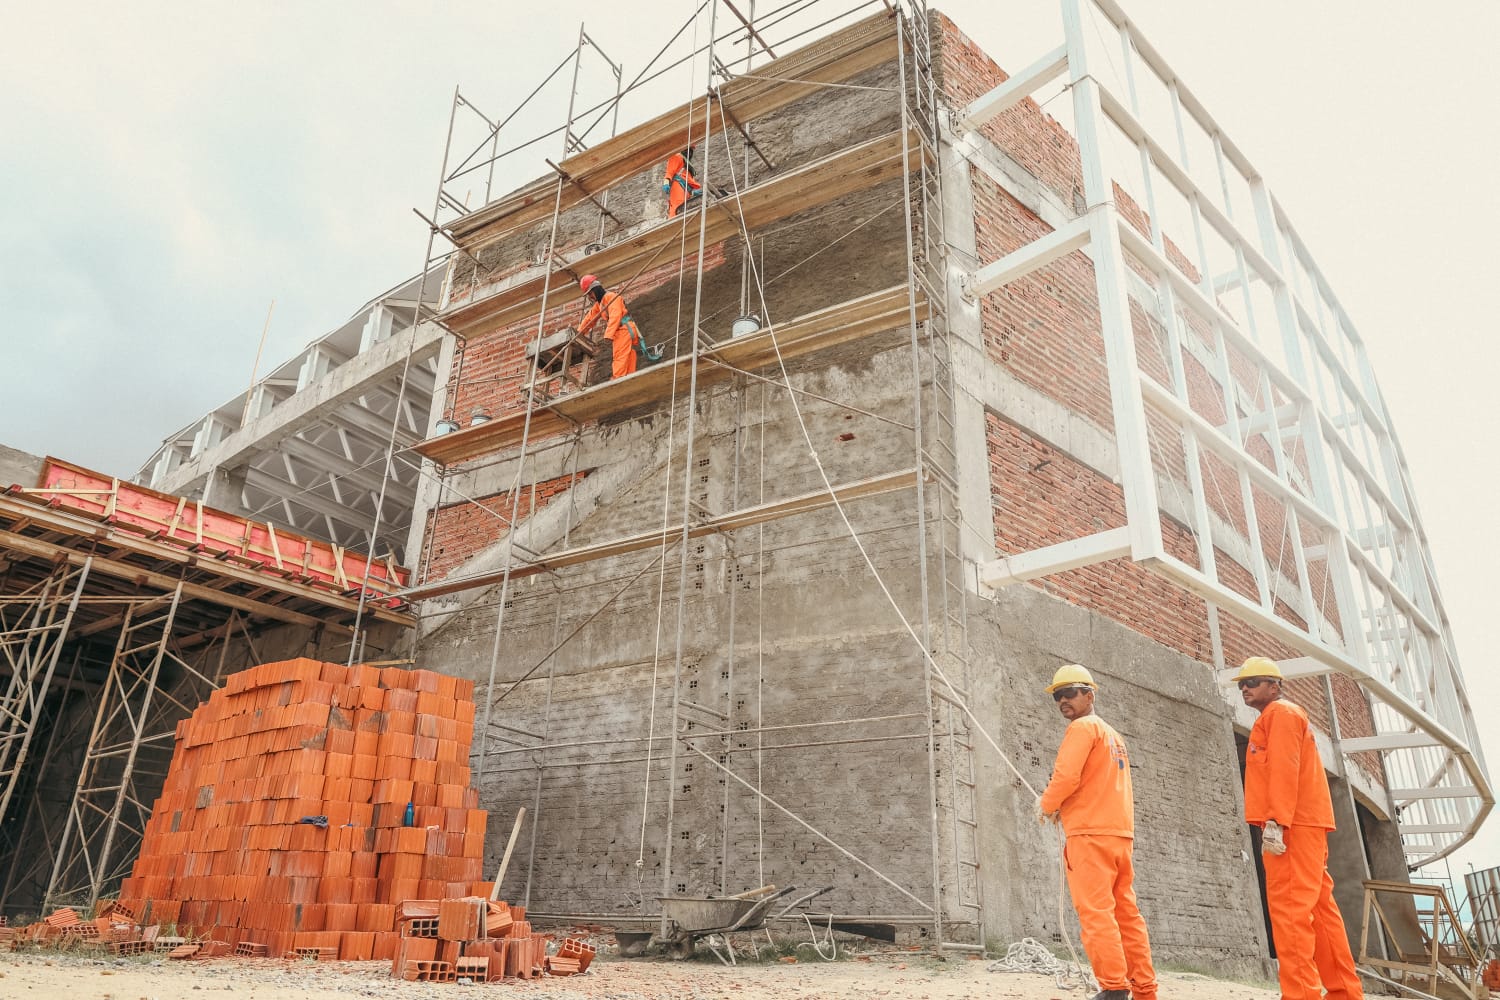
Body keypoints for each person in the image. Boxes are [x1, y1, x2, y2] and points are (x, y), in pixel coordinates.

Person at [1237, 656, 1364, 1000]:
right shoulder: (1279, 717)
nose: (1244, 688)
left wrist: (1277, 820)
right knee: (1320, 912)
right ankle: (1343, 992)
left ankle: (1300, 995)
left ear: (1274, 685)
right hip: (1305, 825)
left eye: (1252, 682)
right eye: (1241, 684)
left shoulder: (1281, 715)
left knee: (1290, 913)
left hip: (1292, 826)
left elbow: (1283, 767)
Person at [1038, 664, 1157, 1000]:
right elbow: (1093, 782)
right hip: (1118, 835)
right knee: (1127, 915)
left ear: (1090, 695)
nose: (1063, 699)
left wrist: (1047, 805)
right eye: (1058, 695)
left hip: (1090, 836)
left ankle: (1114, 988)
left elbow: (1066, 777)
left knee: (1096, 914)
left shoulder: (1081, 728)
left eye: (1070, 692)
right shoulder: (1112, 735)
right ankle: (1145, 990)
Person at [575, 274, 644, 381]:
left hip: (623, 329)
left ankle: (618, 378)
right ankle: (629, 376)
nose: (590, 297)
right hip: (622, 330)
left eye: (590, 293)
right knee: (629, 354)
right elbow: (589, 319)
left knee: (620, 355)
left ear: (596, 289)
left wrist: (608, 335)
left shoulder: (612, 297)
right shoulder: (600, 304)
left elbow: (615, 316)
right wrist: (579, 333)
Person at [663, 145, 702, 218]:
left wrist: (692, 192)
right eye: (689, 150)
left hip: (687, 190)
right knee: (678, 207)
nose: (690, 153)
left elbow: (688, 181)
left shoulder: (688, 165)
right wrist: (666, 183)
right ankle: (674, 222)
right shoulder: (677, 157)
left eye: (691, 151)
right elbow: (669, 171)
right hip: (678, 185)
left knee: (686, 209)